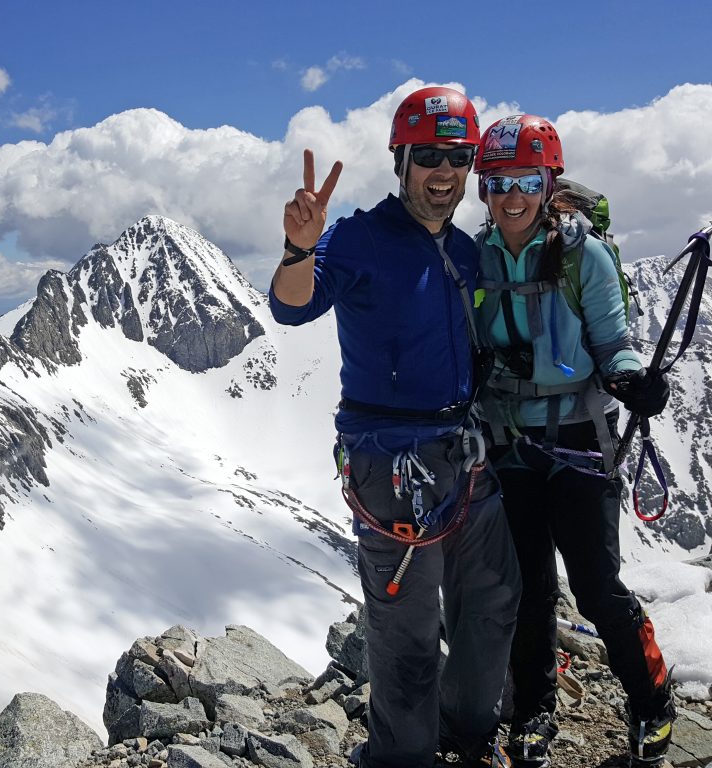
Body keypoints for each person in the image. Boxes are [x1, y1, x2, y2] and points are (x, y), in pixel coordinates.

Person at [270, 86, 521, 768]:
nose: (445, 172)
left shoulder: (467, 252)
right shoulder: (358, 238)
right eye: (431, 157)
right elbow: (292, 308)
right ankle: (400, 758)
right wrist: (298, 249)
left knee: (494, 600)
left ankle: (468, 734)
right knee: (407, 636)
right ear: (402, 161)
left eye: (458, 157)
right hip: (391, 466)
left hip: (464, 455)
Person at [472, 114, 675, 767]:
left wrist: (631, 380)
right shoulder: (477, 257)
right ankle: (533, 714)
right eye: (498, 182)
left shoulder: (583, 255)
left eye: (526, 181)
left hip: (580, 440)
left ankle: (652, 703)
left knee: (595, 586)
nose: (511, 197)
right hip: (509, 440)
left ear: (547, 181)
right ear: (484, 188)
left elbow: (613, 344)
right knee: (528, 586)